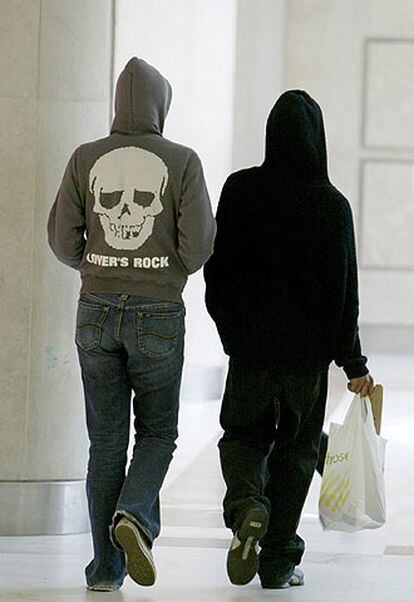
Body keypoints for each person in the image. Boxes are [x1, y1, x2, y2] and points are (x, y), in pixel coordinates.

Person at [47, 57, 216, 592]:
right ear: (161, 106)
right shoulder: (183, 161)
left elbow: (60, 239)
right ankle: (135, 515)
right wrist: (161, 270)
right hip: (159, 313)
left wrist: (96, 267)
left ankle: (103, 569)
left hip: (94, 310)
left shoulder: (84, 158)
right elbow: (199, 247)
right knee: (159, 432)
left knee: (105, 442)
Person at [204, 90, 374, 589]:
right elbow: (346, 294)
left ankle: (246, 505)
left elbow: (218, 271)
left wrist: (230, 330)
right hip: (306, 362)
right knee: (297, 453)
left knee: (241, 436)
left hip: (250, 352)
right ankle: (278, 561)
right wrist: (353, 362)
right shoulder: (333, 205)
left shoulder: (241, 190)